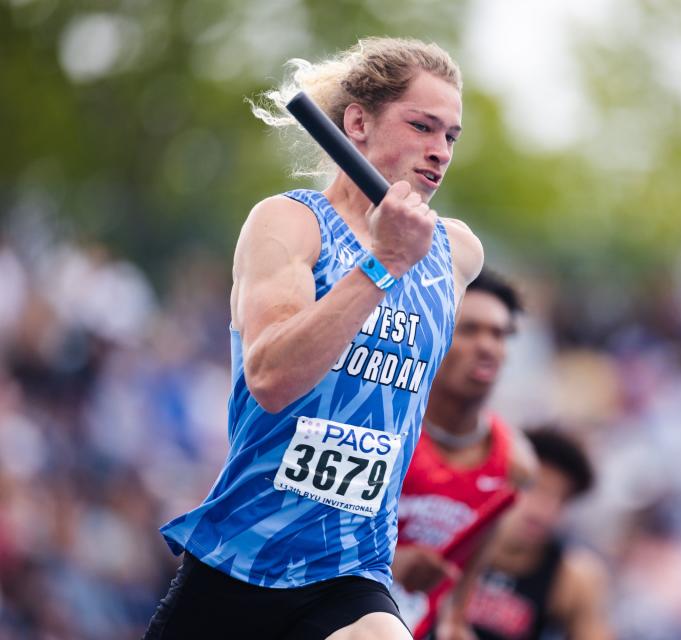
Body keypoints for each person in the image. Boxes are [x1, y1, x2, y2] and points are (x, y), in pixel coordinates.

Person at [144, 36, 483, 640]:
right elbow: (272, 380)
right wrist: (380, 265)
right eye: (423, 127)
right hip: (240, 559)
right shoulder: (290, 224)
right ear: (357, 121)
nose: (440, 152)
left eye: (451, 136)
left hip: (350, 570)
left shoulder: (456, 254)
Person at [390, 270, 536, 639]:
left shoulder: (514, 463)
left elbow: (459, 596)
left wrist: (455, 625)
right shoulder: (385, 425)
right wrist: (389, 563)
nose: (487, 346)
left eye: (499, 334)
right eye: (469, 330)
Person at [466, 428, 613, 640]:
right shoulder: (454, 534)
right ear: (505, 479)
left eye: (560, 499)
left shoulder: (572, 579)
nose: (544, 510)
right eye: (535, 488)